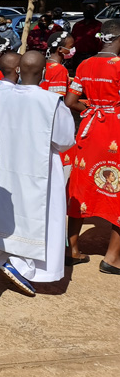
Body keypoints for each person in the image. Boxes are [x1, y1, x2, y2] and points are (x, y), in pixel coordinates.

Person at [0, 50, 76, 295]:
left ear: (18, 70)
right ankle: (25, 267)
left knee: (4, 211)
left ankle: (0, 259)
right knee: (39, 215)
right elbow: (65, 140)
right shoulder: (50, 102)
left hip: (2, 166)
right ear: (44, 72)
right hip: (38, 170)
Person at [65, 19, 120, 274]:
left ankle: (72, 249)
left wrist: (90, 107)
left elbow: (70, 100)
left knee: (81, 185)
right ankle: (111, 258)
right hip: (114, 133)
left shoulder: (85, 63)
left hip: (88, 132)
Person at [42, 31, 74, 95]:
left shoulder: (43, 64)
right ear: (60, 49)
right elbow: (58, 97)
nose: (73, 49)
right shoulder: (59, 70)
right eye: (71, 47)